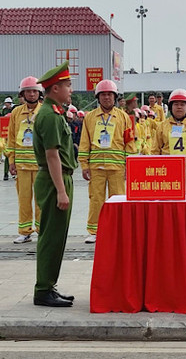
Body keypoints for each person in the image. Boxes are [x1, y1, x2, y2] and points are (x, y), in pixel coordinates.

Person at [32, 61, 76, 307]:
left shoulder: (55, 112)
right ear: (55, 88)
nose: (70, 89)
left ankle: (49, 285)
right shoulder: (49, 116)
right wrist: (61, 191)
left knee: (57, 237)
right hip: (53, 181)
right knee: (50, 237)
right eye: (67, 85)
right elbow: (52, 155)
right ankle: (42, 290)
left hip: (59, 179)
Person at [78, 79, 135, 243]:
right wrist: (84, 164)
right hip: (96, 166)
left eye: (109, 94)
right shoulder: (90, 118)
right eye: (103, 94)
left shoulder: (123, 117)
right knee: (96, 199)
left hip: (117, 167)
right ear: (98, 97)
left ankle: (119, 229)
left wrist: (128, 165)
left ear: (115, 96)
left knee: (118, 199)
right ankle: (94, 231)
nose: (106, 98)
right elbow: (84, 142)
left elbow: (129, 143)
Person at [7, 76, 43, 244]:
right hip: (21, 165)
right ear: (22, 94)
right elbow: (11, 138)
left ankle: (42, 230)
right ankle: (24, 231)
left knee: (41, 200)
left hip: (40, 164)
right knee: (24, 199)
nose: (31, 94)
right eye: (28, 91)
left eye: (34, 91)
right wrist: (11, 161)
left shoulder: (44, 111)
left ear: (39, 93)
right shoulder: (16, 113)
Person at [0, 97, 16, 181]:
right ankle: (6, 173)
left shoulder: (15, 110)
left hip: (15, 143)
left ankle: (14, 173)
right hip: (7, 142)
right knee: (7, 157)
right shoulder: (4, 111)